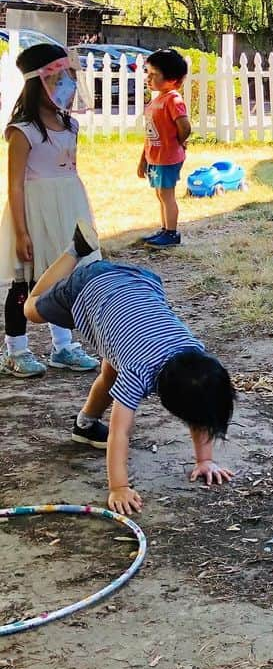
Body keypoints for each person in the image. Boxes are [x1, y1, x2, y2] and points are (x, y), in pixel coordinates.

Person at [24, 220, 235, 515]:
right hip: (89, 285)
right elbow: (119, 433)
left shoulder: (196, 356)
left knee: (111, 371)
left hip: (141, 282)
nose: (198, 427)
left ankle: (84, 426)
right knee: (31, 310)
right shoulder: (139, 371)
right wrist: (118, 487)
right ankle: (75, 251)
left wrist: (204, 461)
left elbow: (200, 408)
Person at [0, 42, 100, 377]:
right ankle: (16, 350)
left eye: (68, 79)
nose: (67, 87)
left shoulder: (70, 126)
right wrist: (21, 231)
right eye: (58, 80)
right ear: (37, 84)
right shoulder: (22, 132)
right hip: (34, 213)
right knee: (25, 283)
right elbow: (15, 185)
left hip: (68, 209)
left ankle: (63, 346)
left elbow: (69, 172)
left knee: (64, 279)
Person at [138, 48, 191, 247]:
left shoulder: (173, 100)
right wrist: (143, 160)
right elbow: (150, 134)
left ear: (173, 80)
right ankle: (164, 228)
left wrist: (176, 144)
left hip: (167, 158)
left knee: (167, 195)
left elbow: (185, 127)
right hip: (155, 157)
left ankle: (171, 233)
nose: (148, 78)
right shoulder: (156, 100)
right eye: (147, 73)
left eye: (154, 75)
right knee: (160, 194)